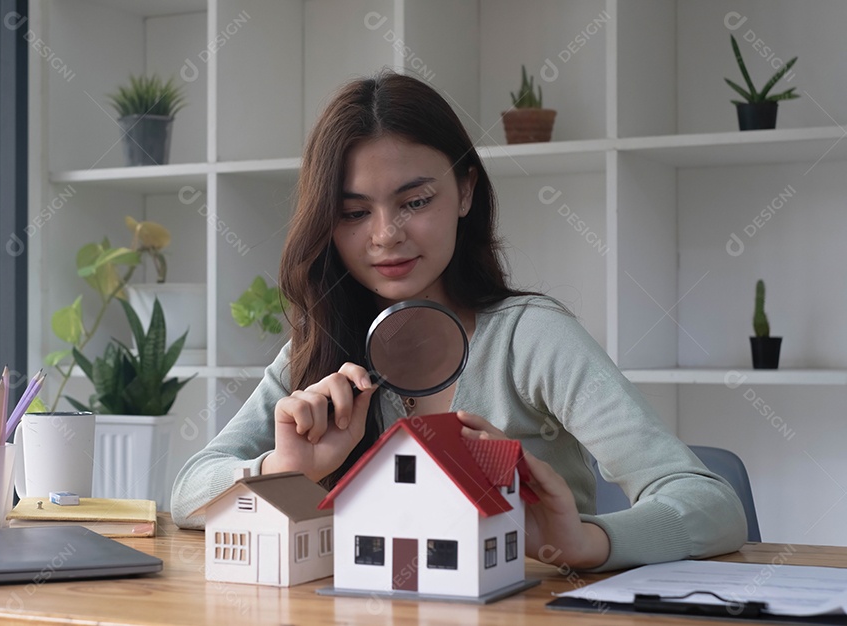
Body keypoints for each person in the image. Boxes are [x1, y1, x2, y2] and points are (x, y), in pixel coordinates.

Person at [170, 71, 746, 571]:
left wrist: (585, 542)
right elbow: (188, 494)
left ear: (465, 190)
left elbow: (711, 506)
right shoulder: (320, 346)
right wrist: (282, 470)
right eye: (353, 212)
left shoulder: (530, 337)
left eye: (415, 201)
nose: (385, 235)